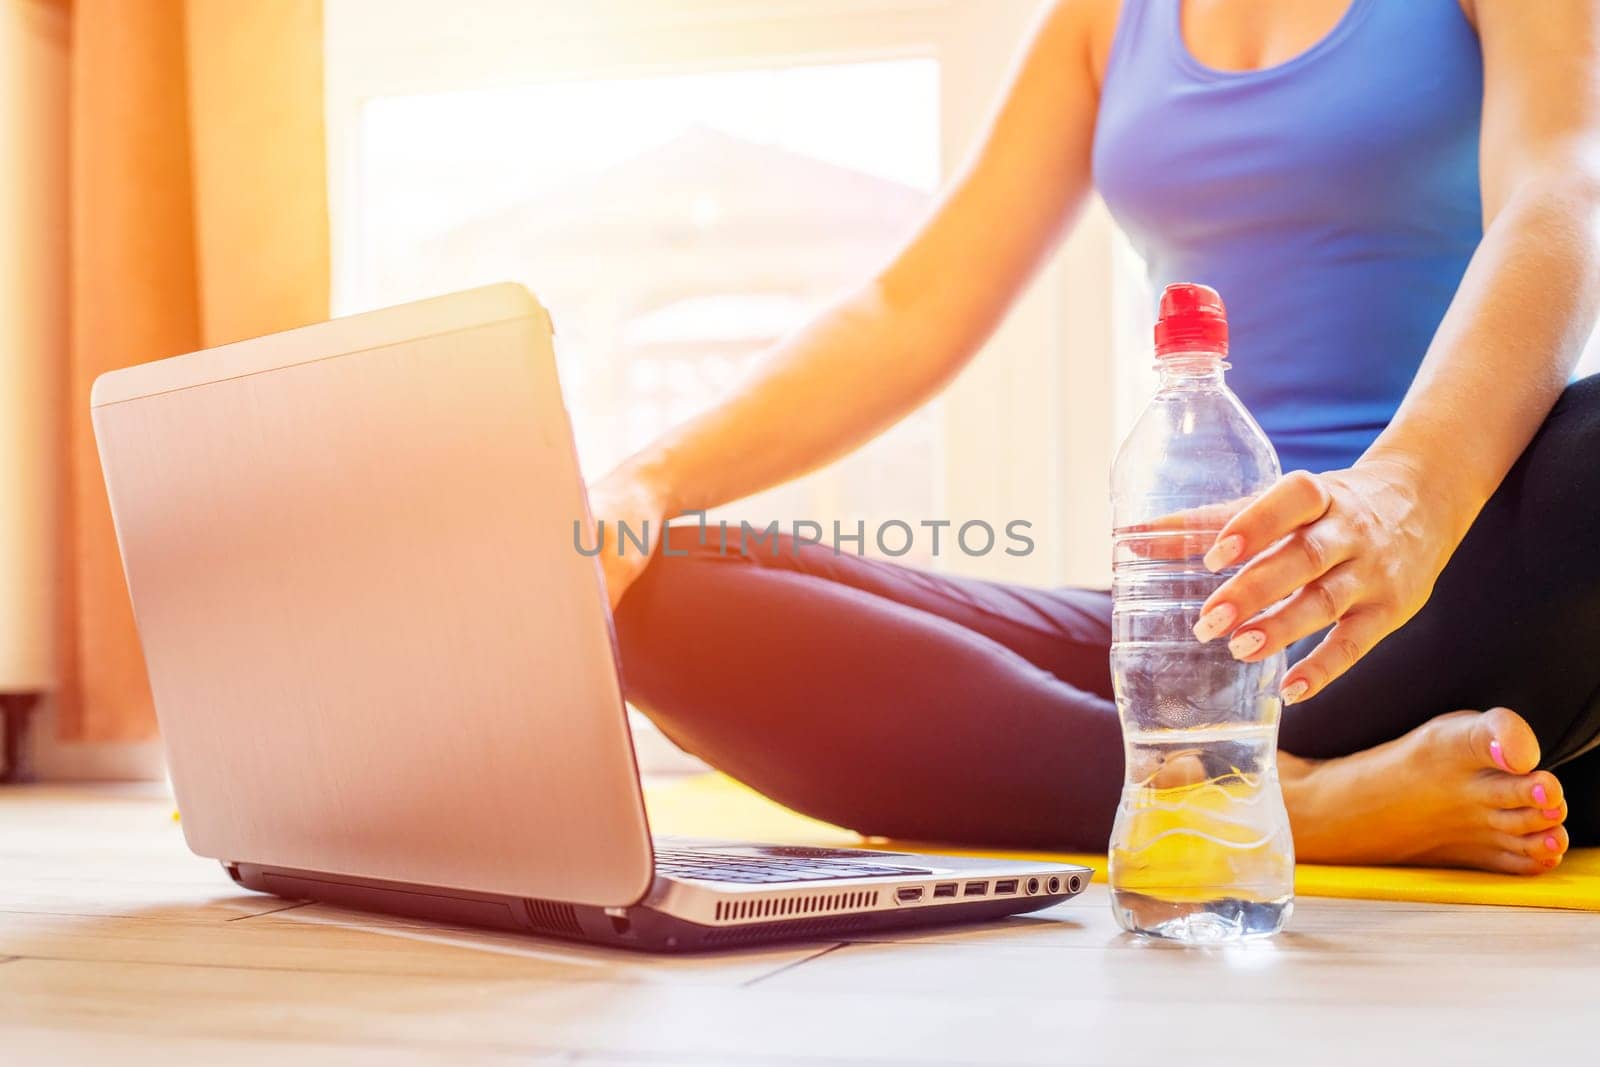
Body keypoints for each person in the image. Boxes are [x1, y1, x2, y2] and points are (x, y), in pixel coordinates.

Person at [590, 0, 1600, 874]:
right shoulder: (1104, 19)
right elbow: (911, 307)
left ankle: (1219, 775)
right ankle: (1276, 800)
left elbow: (1558, 189)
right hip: (1195, 625)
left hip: (1427, 585)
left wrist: (1402, 494)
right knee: (657, 587)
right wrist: (646, 481)